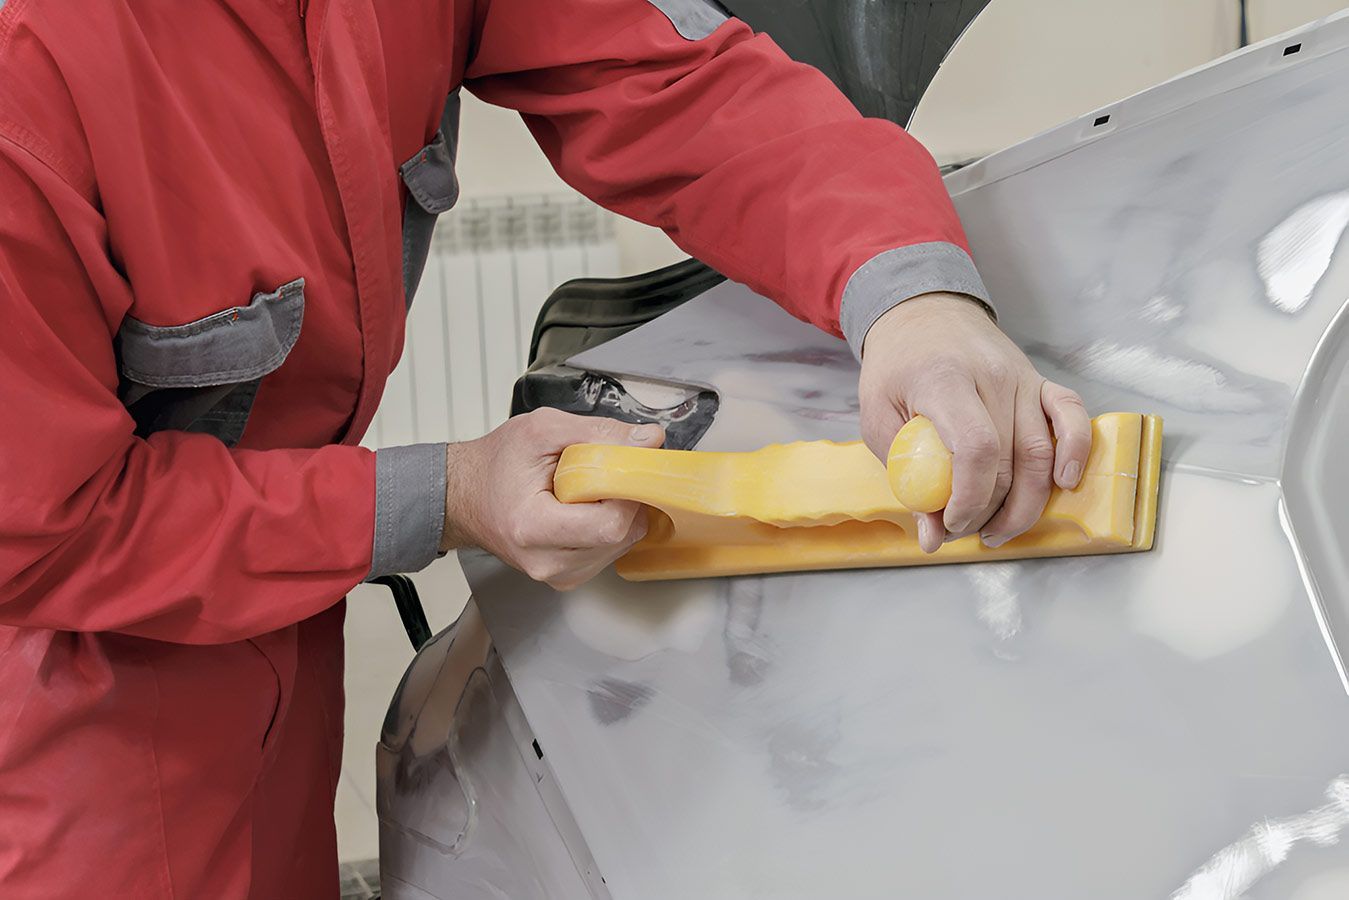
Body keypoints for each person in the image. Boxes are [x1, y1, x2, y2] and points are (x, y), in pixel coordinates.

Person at [0, 0, 1090, 896]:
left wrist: (909, 291)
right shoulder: (31, 68)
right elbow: (35, 531)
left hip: (272, 639)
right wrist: (446, 496)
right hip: (59, 728)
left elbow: (671, 83)